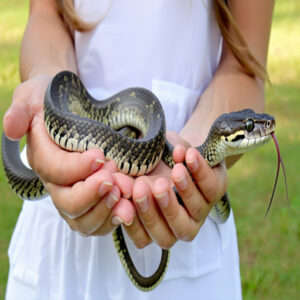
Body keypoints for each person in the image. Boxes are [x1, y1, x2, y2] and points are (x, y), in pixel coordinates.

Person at [3, 0, 274, 299]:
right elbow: (44, 17)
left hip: (191, 263)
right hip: (52, 247)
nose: (259, 129)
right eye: (250, 127)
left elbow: (244, 67)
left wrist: (194, 145)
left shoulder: (191, 148)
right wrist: (49, 80)